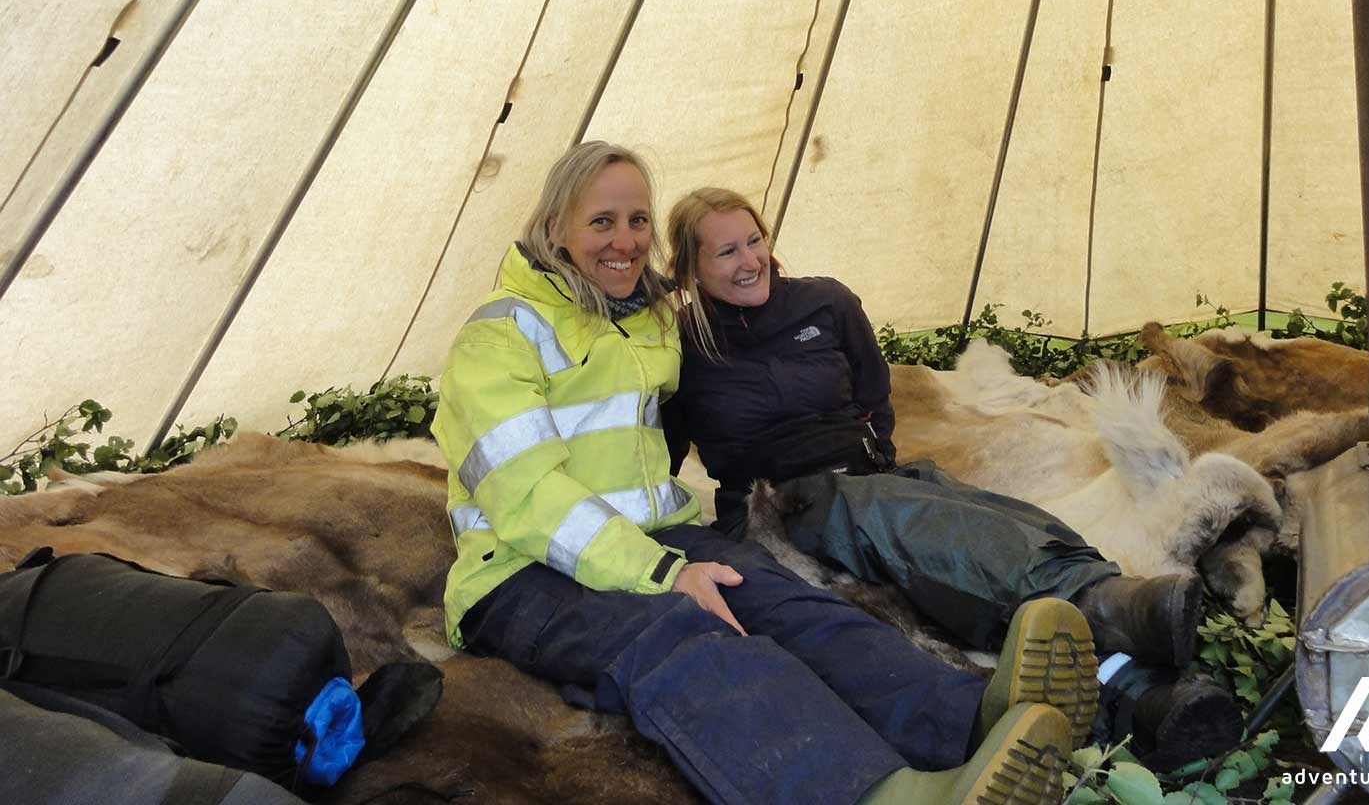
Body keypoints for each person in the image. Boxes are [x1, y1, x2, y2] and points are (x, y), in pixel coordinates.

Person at [431, 143, 1082, 805]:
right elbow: (528, 496)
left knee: (785, 601)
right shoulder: (499, 337)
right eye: (602, 221)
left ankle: (972, 719)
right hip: (520, 572)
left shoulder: (646, 323)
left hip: (654, 535)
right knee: (685, 636)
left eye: (637, 220)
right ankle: (885, 795)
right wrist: (662, 574)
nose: (625, 241)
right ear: (554, 228)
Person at [662, 186, 1244, 769]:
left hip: (864, 477)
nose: (750, 261)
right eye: (726, 252)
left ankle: (1140, 694)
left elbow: (873, 394)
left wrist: (877, 456)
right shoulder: (677, 343)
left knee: (985, 522)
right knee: (915, 528)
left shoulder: (825, 304)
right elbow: (654, 450)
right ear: (690, 268)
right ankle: (1098, 603)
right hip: (774, 508)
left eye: (754, 241)